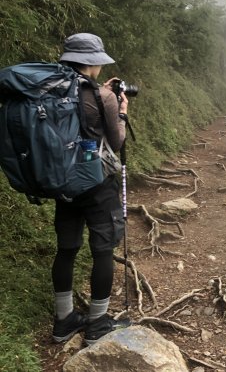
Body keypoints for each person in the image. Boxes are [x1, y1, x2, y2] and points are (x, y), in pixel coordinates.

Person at [51, 33, 131, 345]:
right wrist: (121, 110)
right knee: (102, 250)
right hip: (96, 184)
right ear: (92, 64)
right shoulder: (104, 97)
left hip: (62, 183)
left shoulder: (51, 91)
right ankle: (98, 323)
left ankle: (64, 321)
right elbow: (116, 140)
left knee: (66, 249)